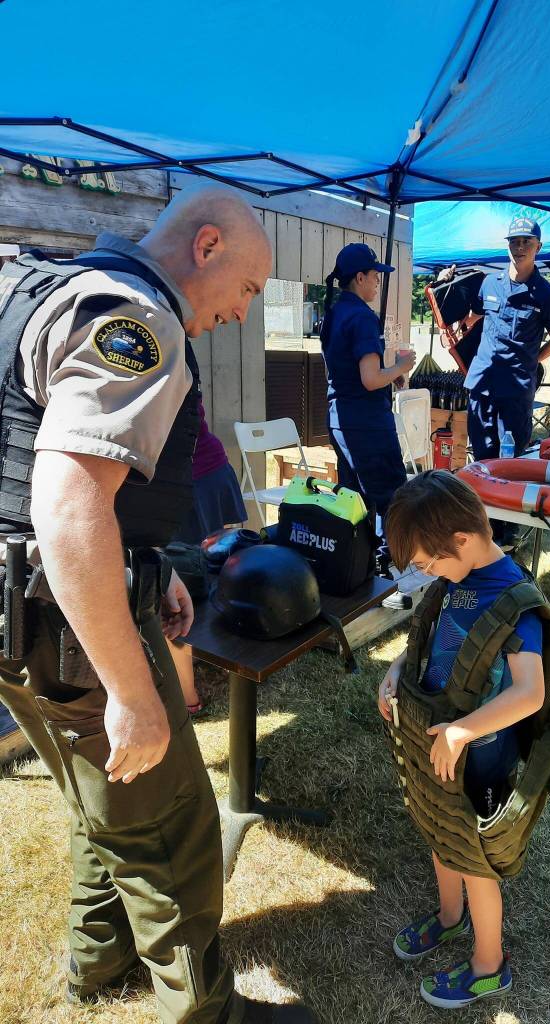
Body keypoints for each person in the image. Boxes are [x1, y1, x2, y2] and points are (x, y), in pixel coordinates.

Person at [0, 184, 316, 1024]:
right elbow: (67, 506)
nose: (243, 312)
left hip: (20, 614)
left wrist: (149, 566)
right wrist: (135, 693)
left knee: (105, 790)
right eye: (249, 289)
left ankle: (96, 965)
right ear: (206, 246)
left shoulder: (49, 287)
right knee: (173, 824)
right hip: (60, 623)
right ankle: (204, 1013)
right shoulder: (138, 322)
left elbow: (42, 464)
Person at [378, 471, 545, 1009]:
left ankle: (489, 965)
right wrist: (399, 668)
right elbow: (434, 638)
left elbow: (530, 692)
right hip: (439, 744)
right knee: (438, 828)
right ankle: (450, 919)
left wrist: (463, 730)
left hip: (482, 756)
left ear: (462, 541)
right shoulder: (459, 575)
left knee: (474, 859)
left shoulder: (515, 597)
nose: (426, 574)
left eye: (428, 563)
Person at [320, 242, 415, 581]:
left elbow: (353, 372)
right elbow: (371, 379)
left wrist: (392, 373)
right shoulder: (362, 317)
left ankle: (355, 565)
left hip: (341, 417)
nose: (378, 283)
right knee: (390, 493)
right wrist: (402, 365)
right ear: (359, 277)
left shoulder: (335, 312)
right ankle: (392, 565)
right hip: (365, 422)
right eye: (375, 276)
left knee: (353, 497)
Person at [461, 217, 550, 459]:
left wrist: (532, 361)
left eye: (526, 243)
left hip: (516, 388)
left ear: (538, 247)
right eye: (514, 242)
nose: (519, 248)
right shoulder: (489, 283)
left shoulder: (547, 296)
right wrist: (446, 287)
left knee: (510, 457)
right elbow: (472, 317)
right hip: (482, 382)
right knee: (481, 455)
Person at [168, 396, 248, 714]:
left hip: (187, 480)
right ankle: (222, 655)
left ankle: (187, 697)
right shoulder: (178, 354)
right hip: (208, 471)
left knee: (172, 587)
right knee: (203, 572)